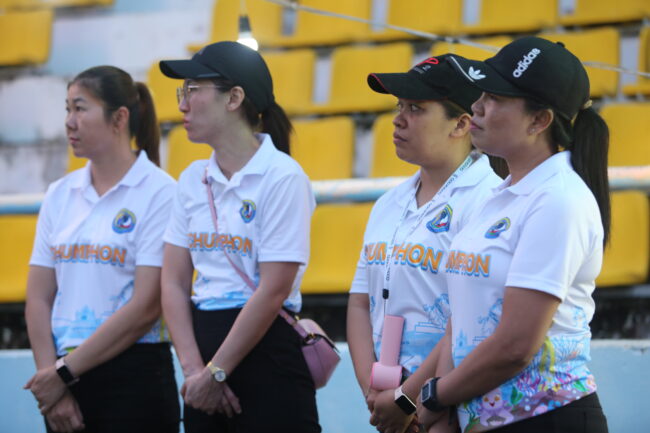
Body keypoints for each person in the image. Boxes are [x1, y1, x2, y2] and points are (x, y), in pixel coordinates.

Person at [416, 36, 611, 433]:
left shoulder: (559, 199)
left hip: (546, 419)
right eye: (481, 95)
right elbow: (462, 318)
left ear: (539, 121)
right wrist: (445, 412)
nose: (476, 107)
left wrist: (435, 397)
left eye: (495, 98)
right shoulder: (500, 195)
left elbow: (516, 346)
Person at [158, 41, 320, 433]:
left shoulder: (283, 177)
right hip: (203, 352)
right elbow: (173, 281)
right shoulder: (191, 179)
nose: (182, 105)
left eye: (193, 90)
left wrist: (217, 372)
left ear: (234, 98)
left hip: (266, 351)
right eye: (182, 92)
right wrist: (195, 372)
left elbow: (273, 289)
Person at [347, 54, 503, 433]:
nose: (398, 119)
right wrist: (375, 391)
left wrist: (407, 397)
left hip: (453, 409)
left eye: (416, 108)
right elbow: (360, 302)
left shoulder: (489, 200)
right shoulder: (388, 203)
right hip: (391, 405)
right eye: (399, 106)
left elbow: (468, 320)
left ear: (461, 124)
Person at [24, 65, 179, 433]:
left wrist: (62, 374)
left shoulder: (161, 192)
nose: (69, 122)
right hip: (63, 381)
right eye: (67, 109)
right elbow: (38, 298)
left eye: (80, 108)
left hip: (134, 376)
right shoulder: (60, 194)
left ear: (119, 118)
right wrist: (53, 384)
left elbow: (147, 305)